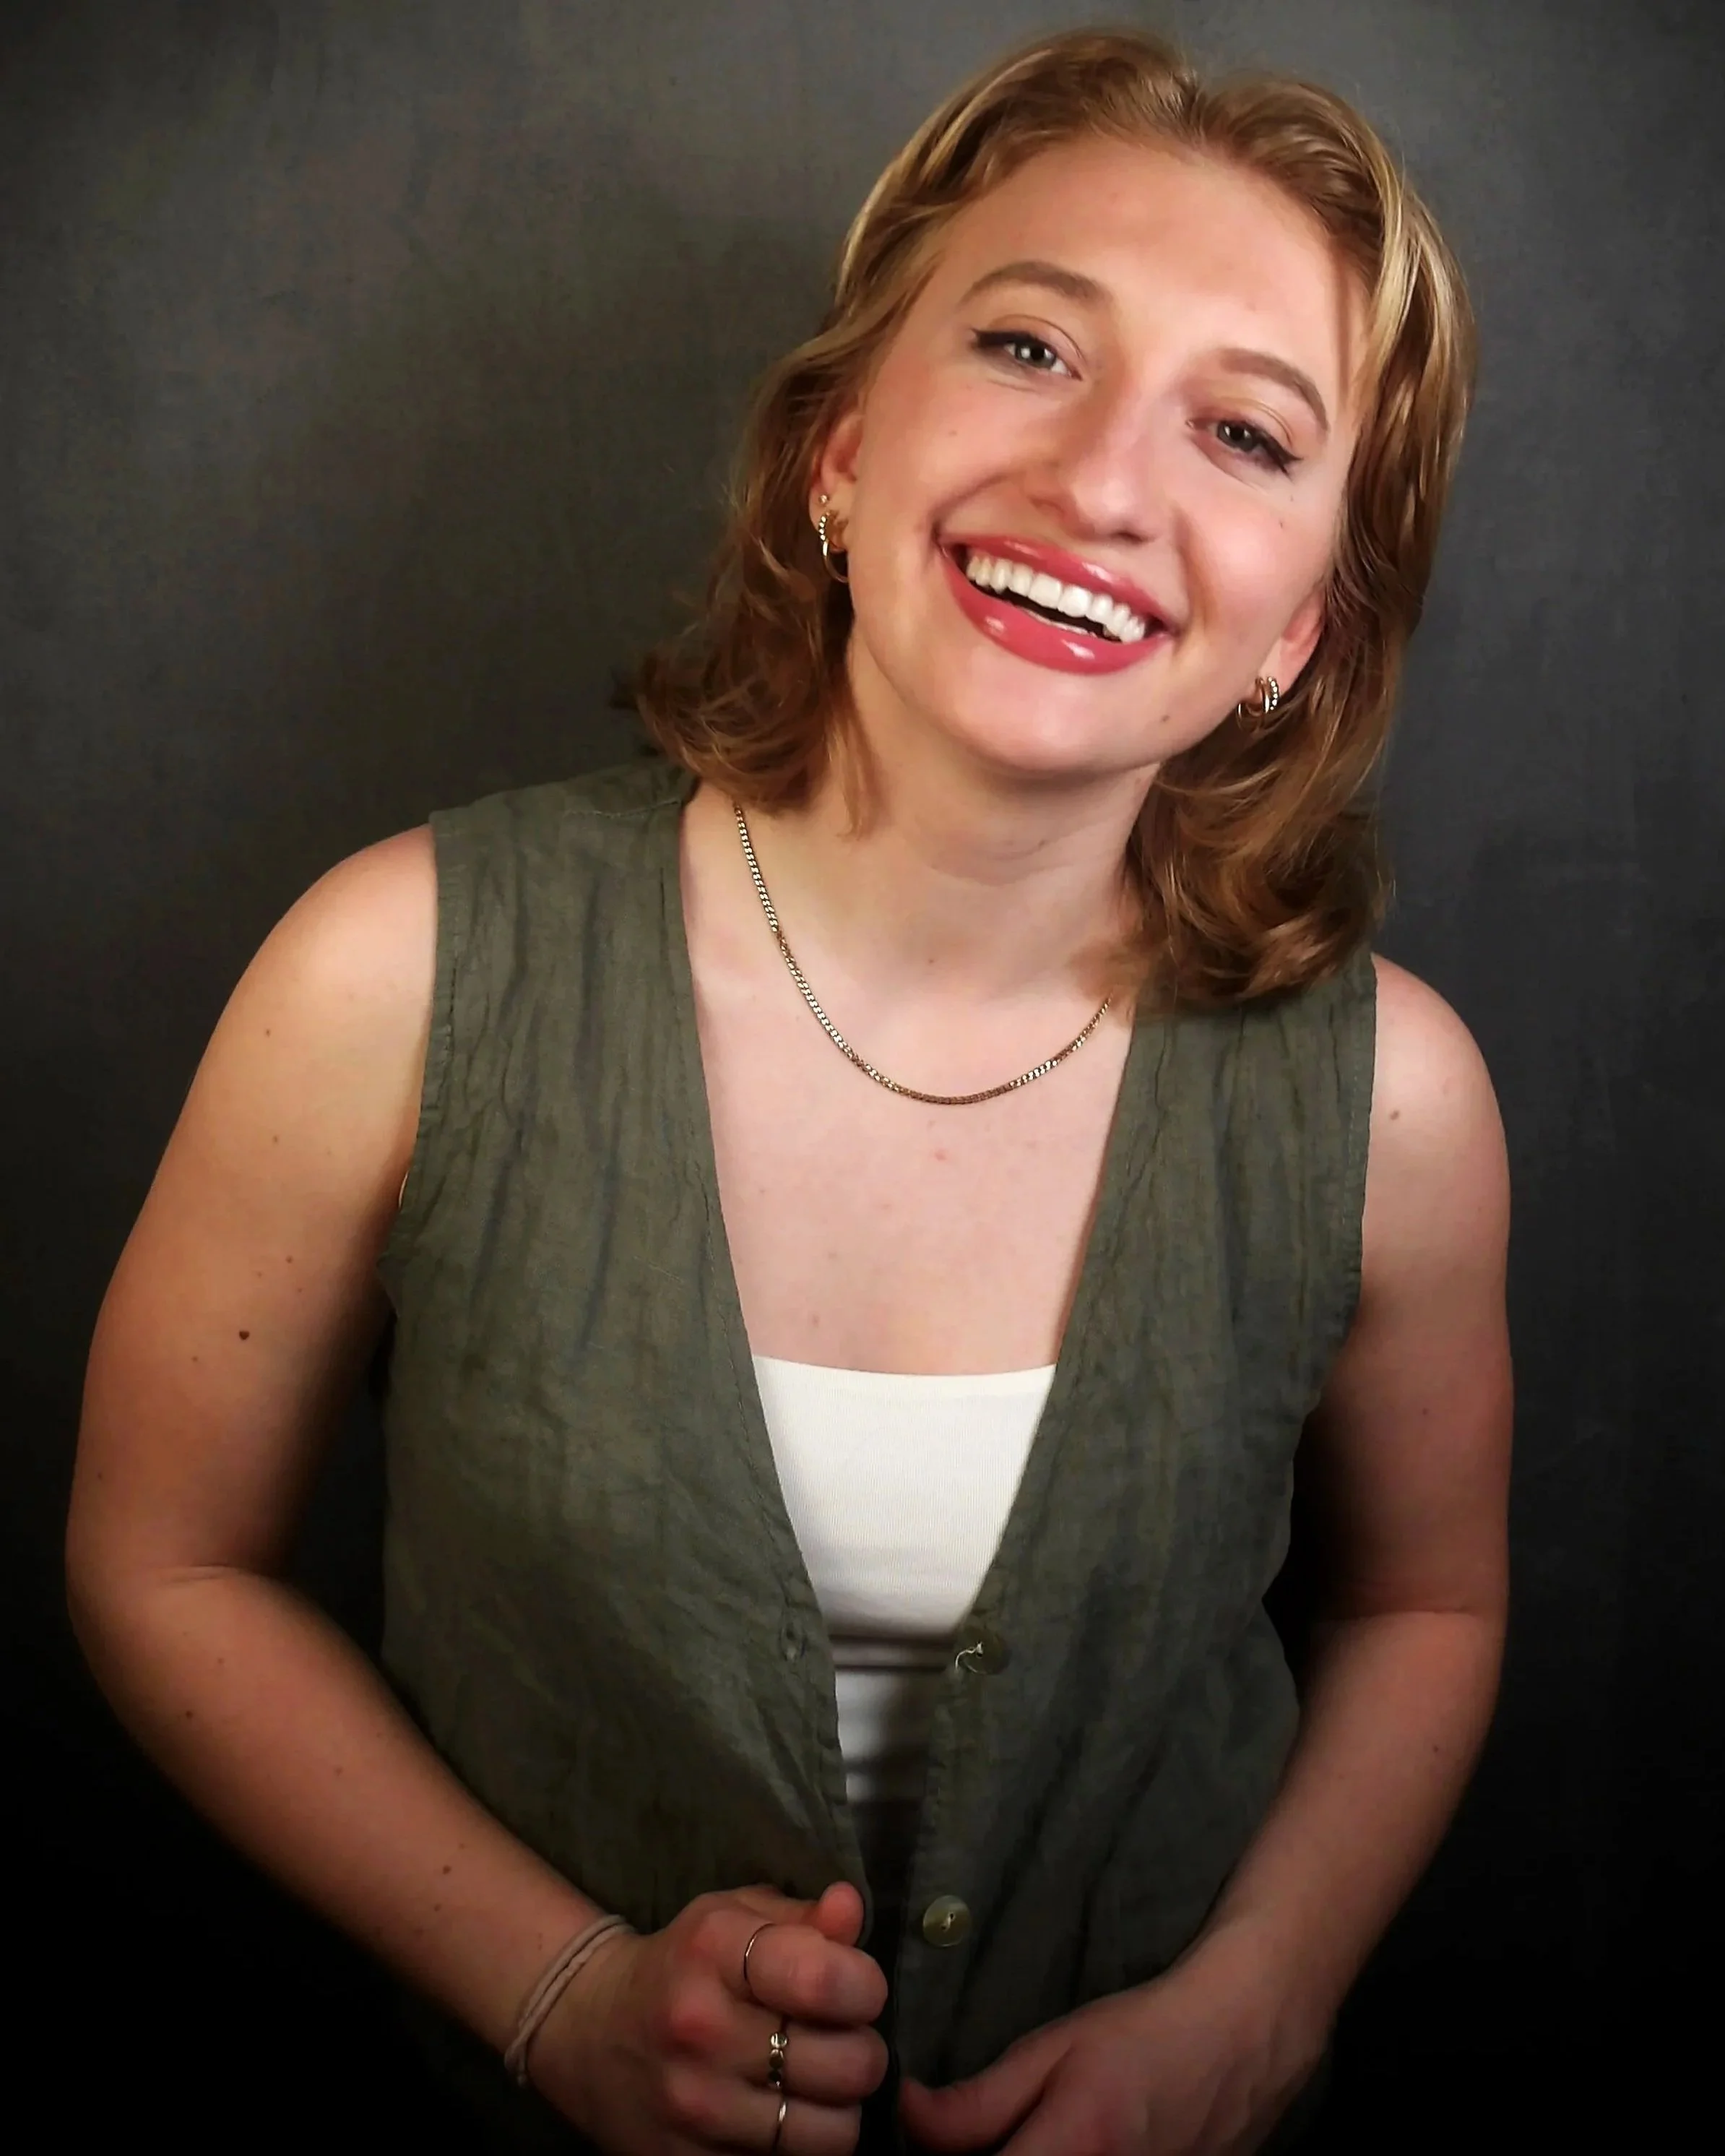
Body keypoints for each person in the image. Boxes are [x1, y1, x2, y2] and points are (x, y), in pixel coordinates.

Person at [66, 27, 1509, 2156]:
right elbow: (164, 1563)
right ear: (840, 451)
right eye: (1028, 345)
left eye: (1244, 433)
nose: (1105, 482)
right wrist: (557, 1994)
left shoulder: (1396, 1105)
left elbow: (1423, 1606)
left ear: (1304, 630)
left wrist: (1256, 2008)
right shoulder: (388, 972)